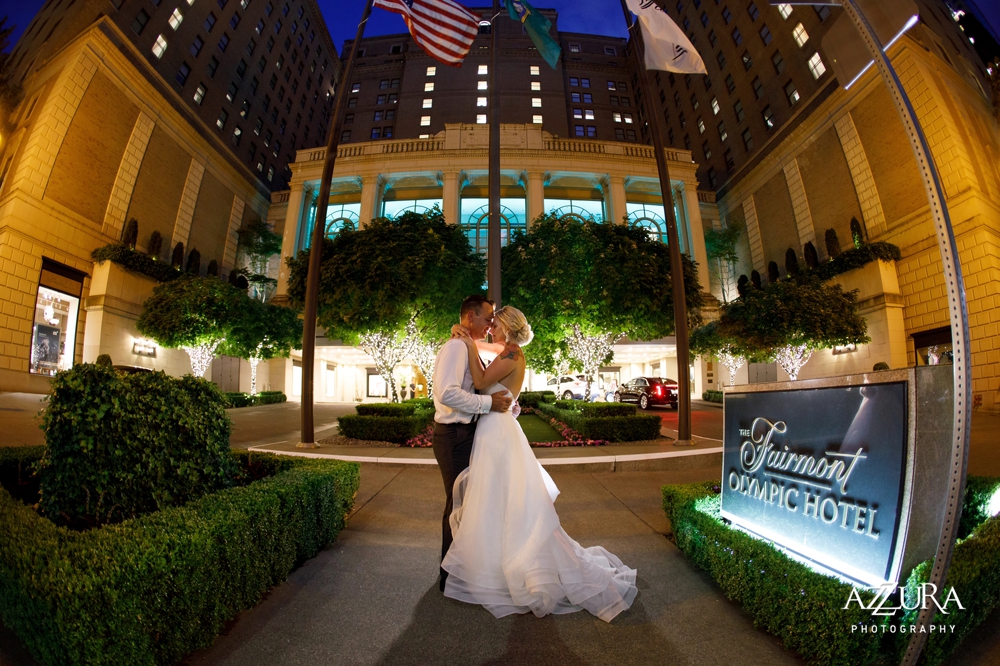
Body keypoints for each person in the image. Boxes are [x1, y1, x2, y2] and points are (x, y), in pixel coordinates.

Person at [443, 306, 638, 622]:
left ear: (506, 327)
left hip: (497, 431)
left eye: (495, 324)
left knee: (504, 500)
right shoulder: (509, 354)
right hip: (497, 429)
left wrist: (465, 342)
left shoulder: (510, 355)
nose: (490, 328)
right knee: (502, 500)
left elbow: (479, 382)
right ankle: (501, 565)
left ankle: (512, 569)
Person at [432, 295, 513, 592]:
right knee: (458, 506)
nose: (491, 323)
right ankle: (450, 577)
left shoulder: (466, 344)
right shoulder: (456, 347)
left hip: (464, 435)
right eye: (487, 317)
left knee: (467, 505)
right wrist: (488, 403)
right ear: (469, 317)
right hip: (454, 436)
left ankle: (460, 571)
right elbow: (447, 393)